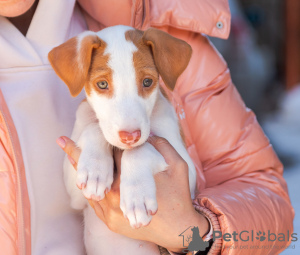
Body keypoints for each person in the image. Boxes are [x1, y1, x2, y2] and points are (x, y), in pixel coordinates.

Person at [0, 0, 294, 255]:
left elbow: (266, 199)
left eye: (147, 83)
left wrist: (197, 233)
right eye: (103, 85)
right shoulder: (87, 99)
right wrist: (93, 141)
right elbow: (78, 196)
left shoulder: (162, 33)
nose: (129, 125)